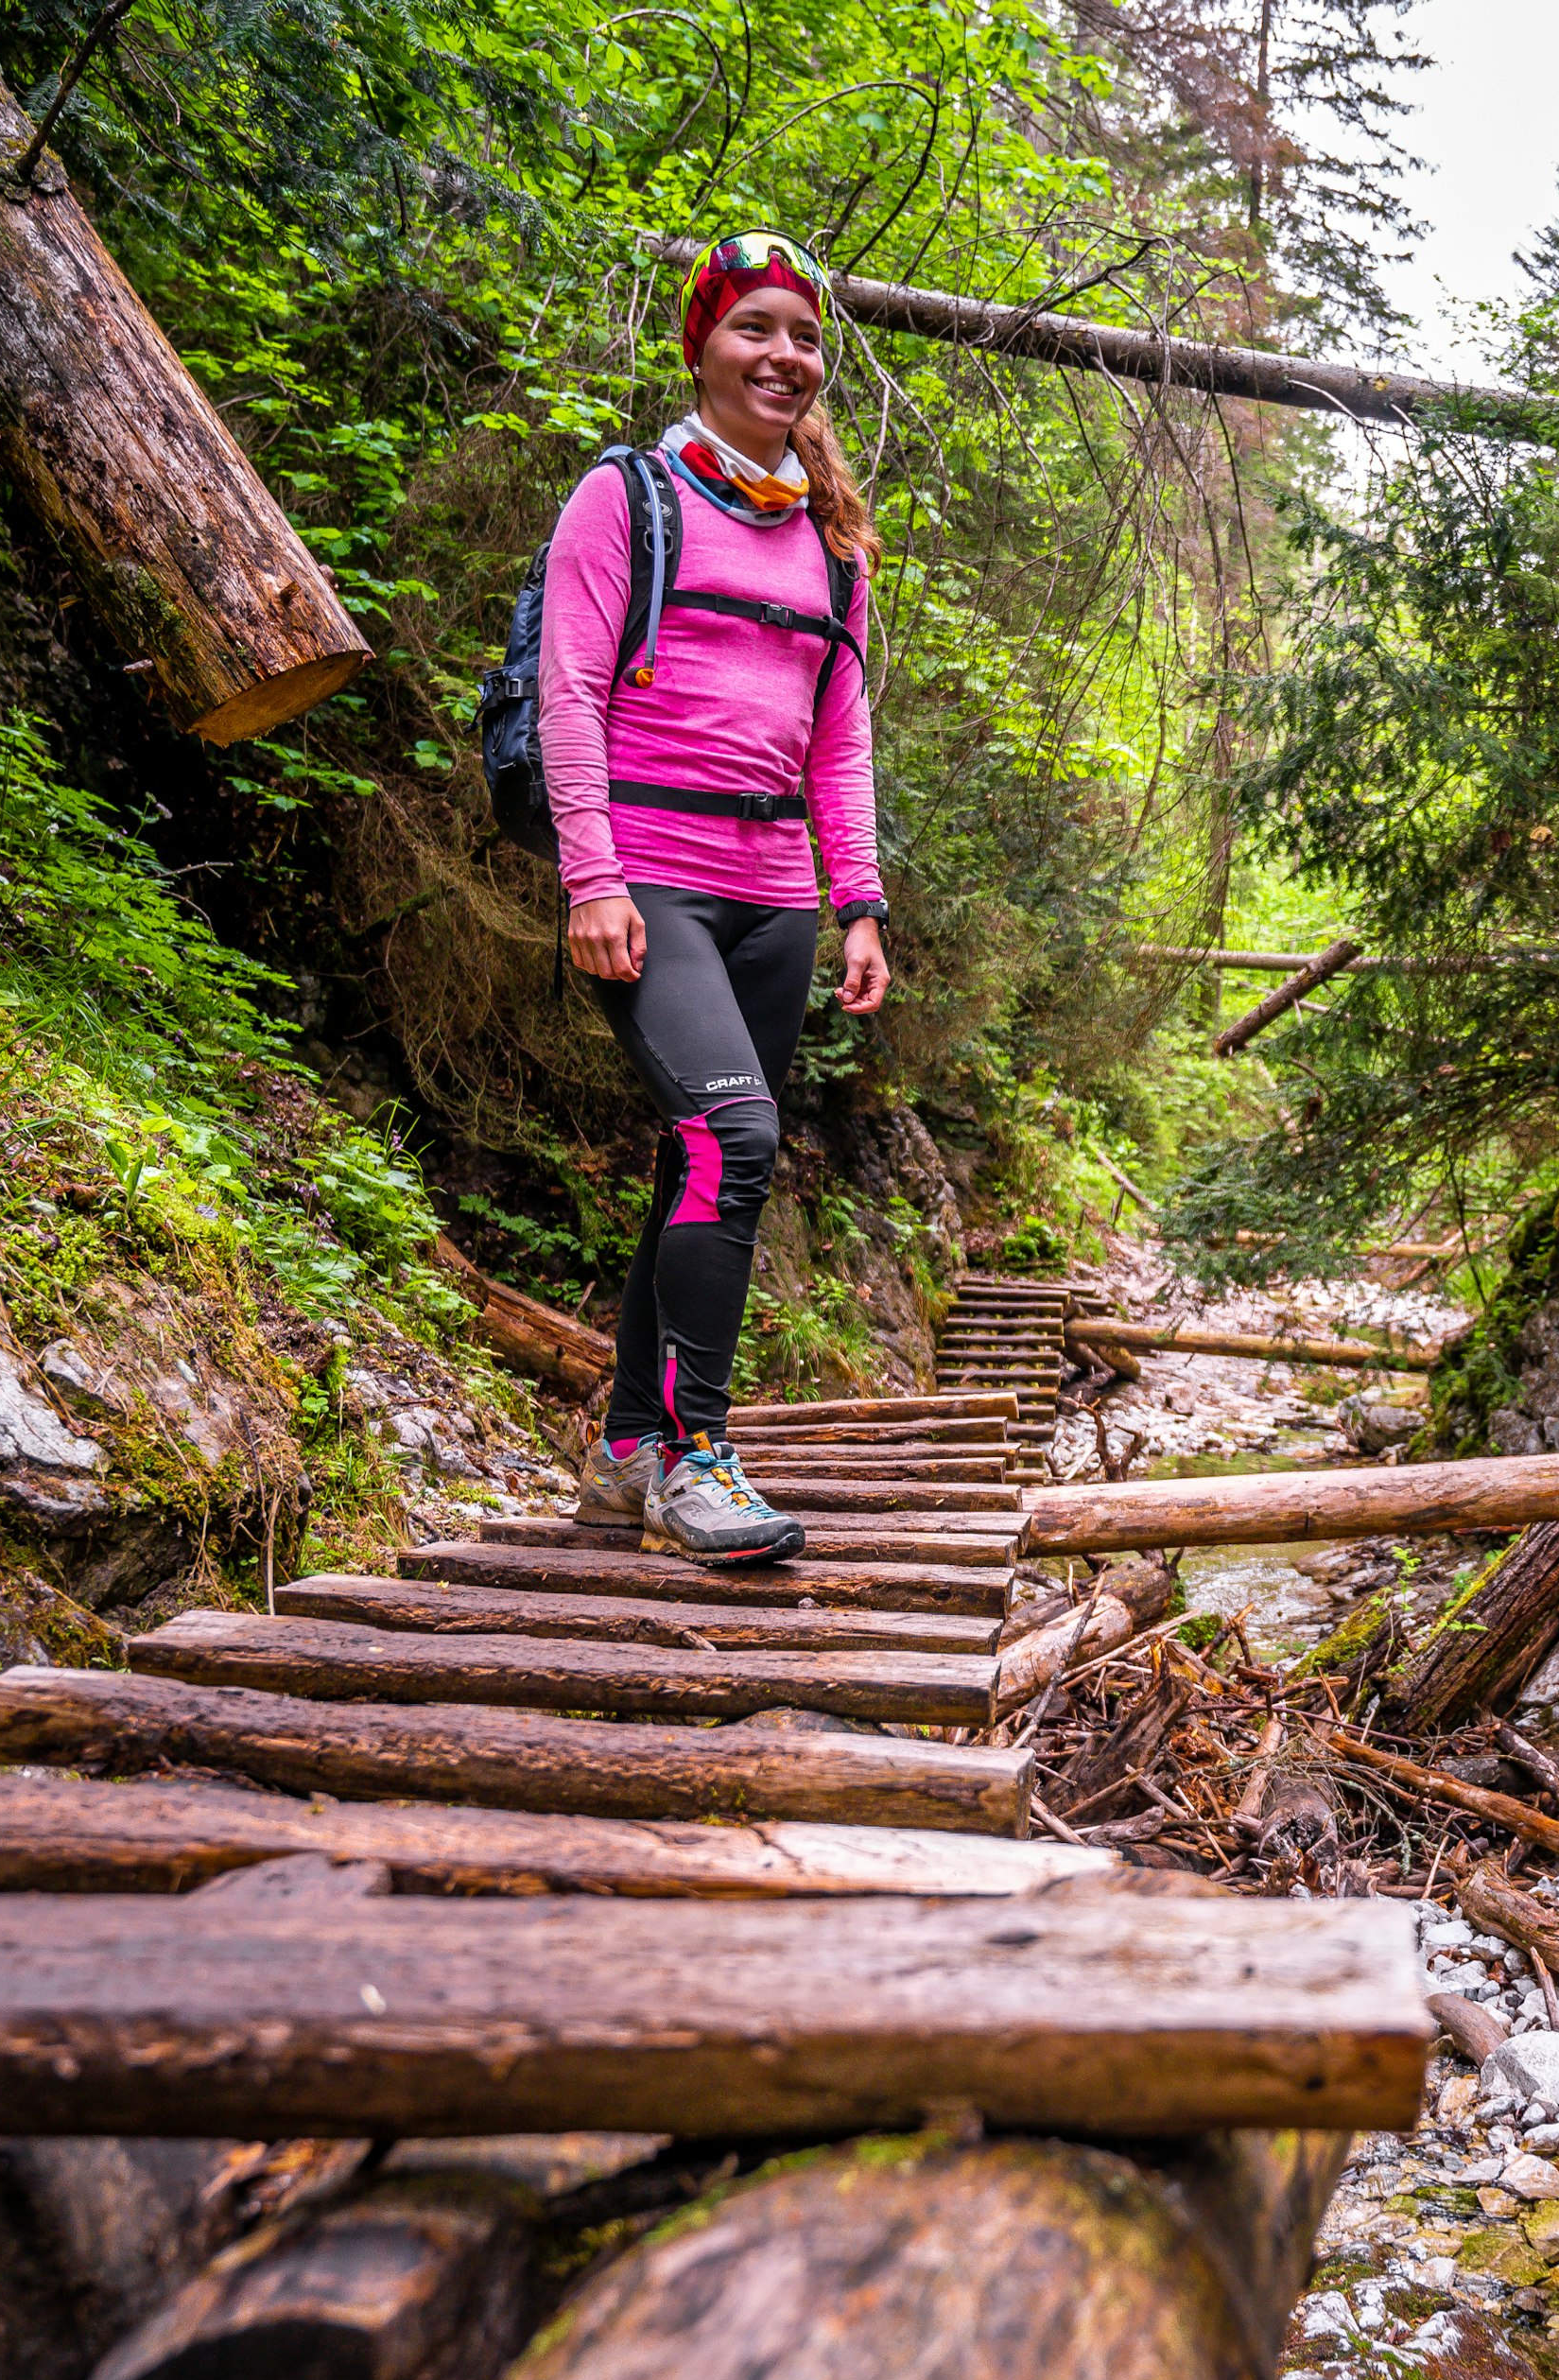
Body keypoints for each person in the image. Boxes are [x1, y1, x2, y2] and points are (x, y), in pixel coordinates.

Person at [541, 230, 891, 1564]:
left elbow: (838, 738)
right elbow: (570, 692)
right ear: (700, 345)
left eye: (803, 338)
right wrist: (592, 876)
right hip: (649, 883)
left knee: (702, 1156)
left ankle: (631, 1447)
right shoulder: (624, 497)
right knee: (734, 1143)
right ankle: (699, 1461)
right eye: (755, 329)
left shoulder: (836, 546)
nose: (783, 357)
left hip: (777, 896)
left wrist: (857, 902)